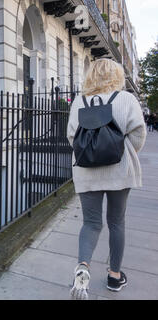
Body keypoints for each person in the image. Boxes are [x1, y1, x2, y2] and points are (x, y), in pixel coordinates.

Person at [66, 58, 147, 300]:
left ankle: (83, 268)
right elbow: (139, 133)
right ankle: (114, 276)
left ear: (91, 76)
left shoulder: (79, 102)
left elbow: (73, 136)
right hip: (119, 171)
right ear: (117, 76)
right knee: (116, 222)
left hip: (86, 171)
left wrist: (93, 154)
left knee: (90, 223)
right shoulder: (127, 100)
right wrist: (121, 152)